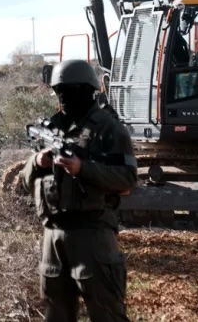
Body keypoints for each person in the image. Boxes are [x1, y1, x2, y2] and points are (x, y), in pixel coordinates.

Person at [21, 59, 138, 322]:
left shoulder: (109, 129)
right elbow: (24, 181)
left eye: (70, 91)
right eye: (59, 91)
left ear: (88, 90)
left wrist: (82, 168)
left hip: (93, 234)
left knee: (106, 312)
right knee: (56, 313)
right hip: (53, 236)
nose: (64, 97)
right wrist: (37, 162)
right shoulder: (50, 129)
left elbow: (128, 178)